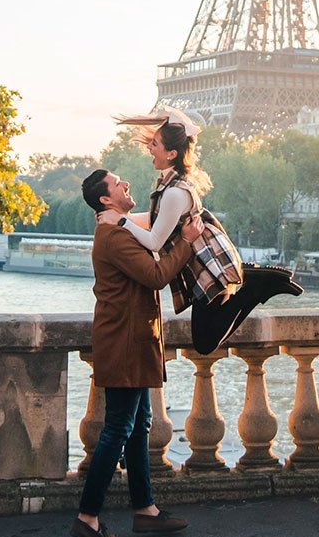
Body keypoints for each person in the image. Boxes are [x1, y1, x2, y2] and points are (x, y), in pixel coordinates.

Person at [98, 108, 303, 355]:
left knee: (205, 342)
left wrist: (121, 222)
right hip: (202, 263)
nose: (149, 149)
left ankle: (255, 285)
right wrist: (121, 217)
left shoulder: (173, 192)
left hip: (207, 264)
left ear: (172, 153)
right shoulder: (170, 185)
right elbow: (157, 220)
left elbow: (153, 242)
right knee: (207, 337)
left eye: (155, 144)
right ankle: (251, 279)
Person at [71, 168, 205, 537]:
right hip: (126, 344)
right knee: (117, 429)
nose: (125, 184)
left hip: (132, 341)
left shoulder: (119, 228)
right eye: (117, 184)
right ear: (105, 199)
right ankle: (87, 516)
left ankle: (145, 509)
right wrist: (189, 241)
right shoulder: (113, 236)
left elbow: (155, 223)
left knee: (139, 423)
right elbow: (157, 273)